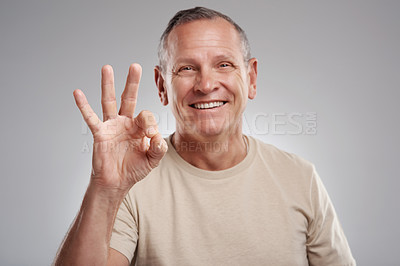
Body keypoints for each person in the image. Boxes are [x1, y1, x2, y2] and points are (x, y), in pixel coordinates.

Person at [54, 7, 356, 266]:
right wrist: (105, 188)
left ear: (250, 78)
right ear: (161, 86)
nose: (206, 83)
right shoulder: (131, 183)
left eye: (223, 65)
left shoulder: (300, 178)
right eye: (187, 68)